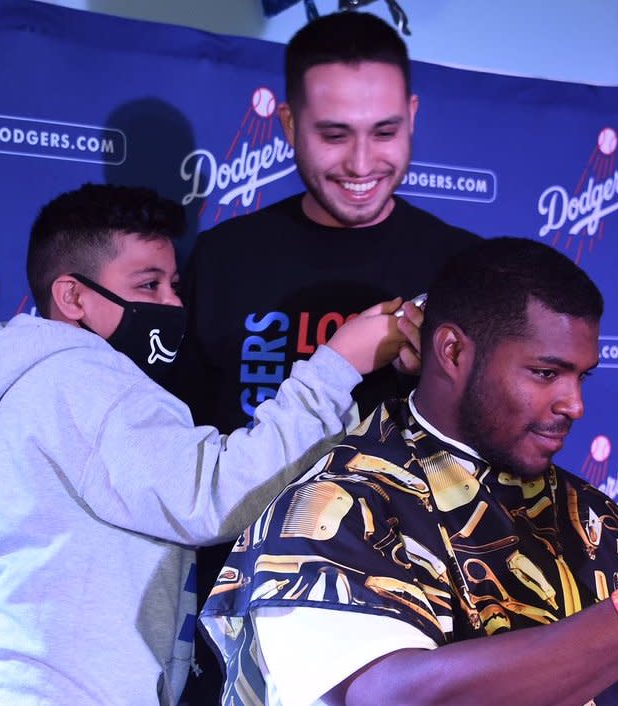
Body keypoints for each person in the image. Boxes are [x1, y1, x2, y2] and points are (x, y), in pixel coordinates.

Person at [200, 236, 618, 706]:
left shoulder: (595, 518)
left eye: (581, 376)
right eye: (546, 373)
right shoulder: (336, 507)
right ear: (454, 352)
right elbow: (391, 697)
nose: (575, 404)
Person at [0, 183, 419, 705]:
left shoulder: (46, 383)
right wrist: (338, 364)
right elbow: (212, 494)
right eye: (148, 286)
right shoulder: (78, 378)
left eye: (173, 284)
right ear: (73, 296)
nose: (171, 303)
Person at [173, 13, 482, 698]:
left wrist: (439, 381)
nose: (362, 163)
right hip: (249, 634)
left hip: (419, 629)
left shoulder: (465, 266)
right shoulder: (224, 259)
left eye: (385, 131)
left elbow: (505, 464)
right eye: (333, 134)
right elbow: (182, 460)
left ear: (413, 116)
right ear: (287, 124)